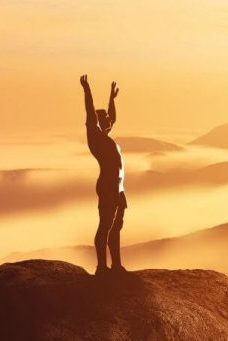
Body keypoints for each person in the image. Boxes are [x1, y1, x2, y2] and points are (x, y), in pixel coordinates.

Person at [80, 74, 127, 276]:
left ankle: (115, 265)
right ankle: (101, 267)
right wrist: (87, 90)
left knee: (116, 226)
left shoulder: (105, 137)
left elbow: (112, 117)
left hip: (118, 188)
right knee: (105, 226)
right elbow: (91, 114)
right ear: (97, 123)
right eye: (104, 119)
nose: (109, 119)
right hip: (108, 187)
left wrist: (111, 98)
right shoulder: (96, 137)